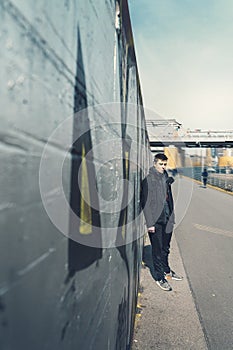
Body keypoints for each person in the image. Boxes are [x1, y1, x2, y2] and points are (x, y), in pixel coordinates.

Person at [141, 153, 183, 291]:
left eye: (165, 164)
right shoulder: (148, 180)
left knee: (166, 248)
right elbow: (145, 204)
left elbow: (168, 198)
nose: (163, 167)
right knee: (157, 250)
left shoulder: (165, 177)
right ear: (155, 163)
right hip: (156, 222)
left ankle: (166, 270)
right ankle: (159, 277)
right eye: (161, 164)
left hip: (168, 219)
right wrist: (150, 224)